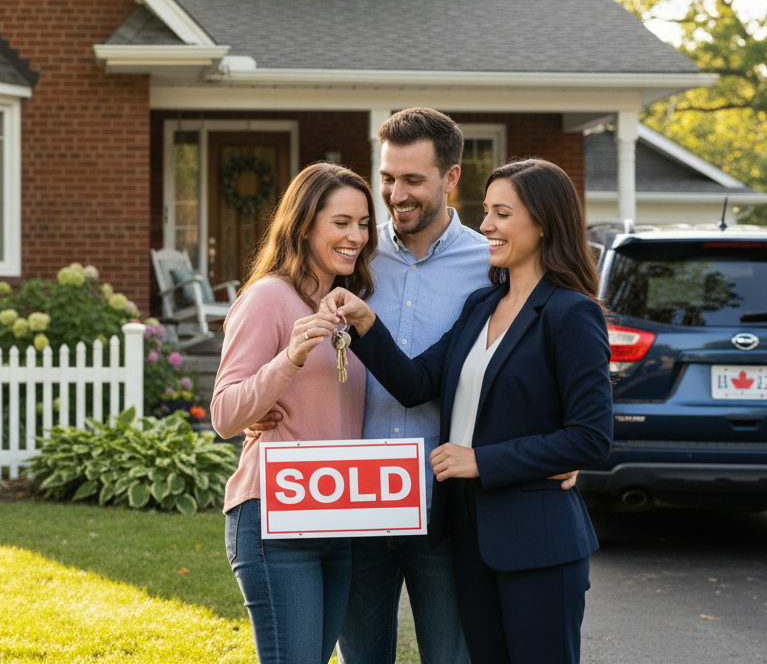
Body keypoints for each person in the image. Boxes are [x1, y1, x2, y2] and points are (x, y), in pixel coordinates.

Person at [248, 108, 577, 663]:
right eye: (387, 178)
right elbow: (286, 320)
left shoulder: (492, 263)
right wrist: (270, 393)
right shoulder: (352, 253)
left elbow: (530, 358)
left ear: (450, 178)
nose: (395, 195)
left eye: (413, 180)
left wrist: (556, 450)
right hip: (351, 501)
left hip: (444, 504)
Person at [325, 158, 614, 664]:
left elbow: (589, 437)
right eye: (486, 212)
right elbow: (416, 384)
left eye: (502, 214)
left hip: (537, 542)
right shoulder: (481, 305)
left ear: (544, 222)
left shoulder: (572, 312)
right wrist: (366, 323)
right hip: (469, 541)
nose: (485, 226)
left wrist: (480, 460)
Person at [211, 161, 378, 664]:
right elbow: (224, 414)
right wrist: (289, 360)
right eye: (341, 222)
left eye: (364, 223)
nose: (356, 236)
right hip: (273, 518)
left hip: (337, 513)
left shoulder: (351, 307)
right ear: (304, 225)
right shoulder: (268, 298)